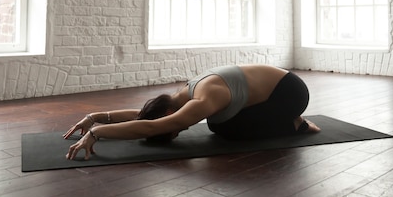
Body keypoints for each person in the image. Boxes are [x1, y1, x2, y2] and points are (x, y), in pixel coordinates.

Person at [63, 64, 320, 160]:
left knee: (224, 128)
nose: (180, 130)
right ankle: (285, 119)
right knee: (218, 124)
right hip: (275, 87)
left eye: (175, 130)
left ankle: (295, 124)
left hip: (290, 94)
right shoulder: (184, 94)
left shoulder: (202, 99)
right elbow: (144, 117)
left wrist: (96, 133)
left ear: (168, 112)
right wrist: (95, 116)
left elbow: (153, 126)